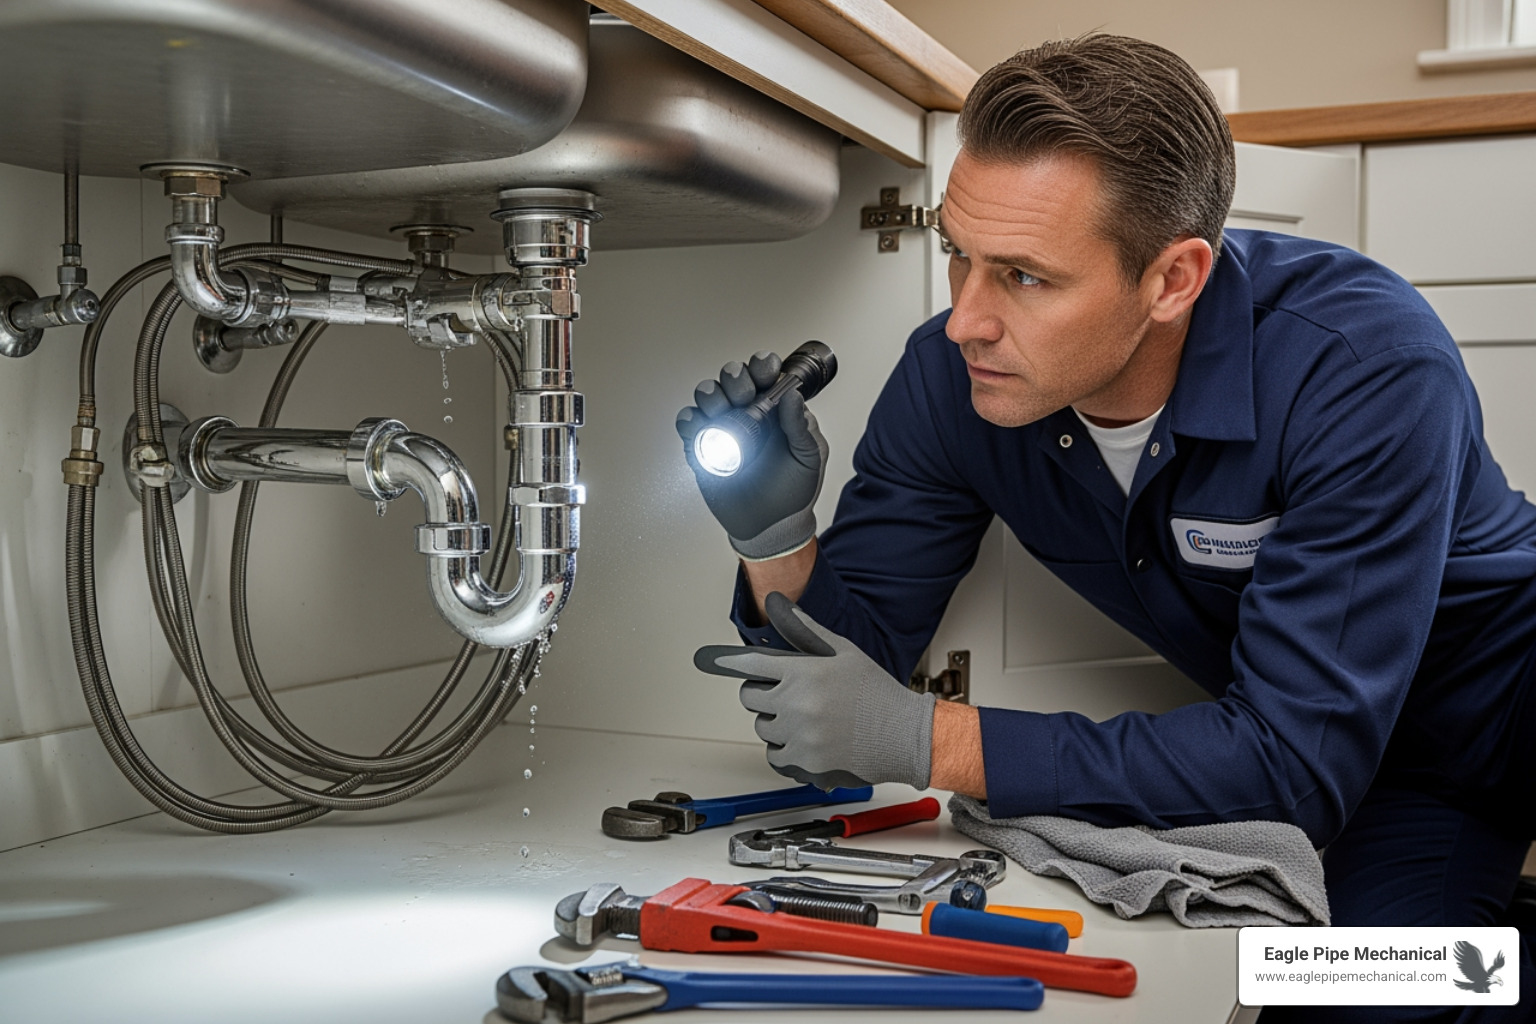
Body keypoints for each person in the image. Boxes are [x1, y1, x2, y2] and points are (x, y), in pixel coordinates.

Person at [676, 34, 1534, 1023]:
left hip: (1511, 691)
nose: (965, 319)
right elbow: (836, 707)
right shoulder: (952, 381)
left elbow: (1288, 768)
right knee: (1353, 1001)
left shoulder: (1365, 364)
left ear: (1173, 280)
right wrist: (774, 537)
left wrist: (933, 738)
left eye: (1026, 277)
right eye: (959, 255)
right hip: (1395, 776)